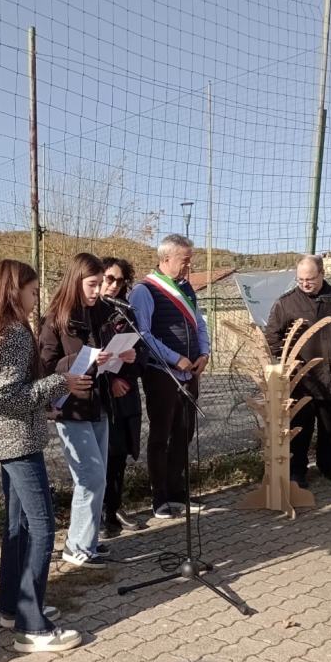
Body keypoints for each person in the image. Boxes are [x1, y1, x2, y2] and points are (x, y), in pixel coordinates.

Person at [0, 259, 90, 653]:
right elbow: (10, 394)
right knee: (42, 527)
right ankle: (32, 626)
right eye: (33, 292)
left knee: (17, 527)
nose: (37, 300)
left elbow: (2, 393)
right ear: (14, 290)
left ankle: (12, 607)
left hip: (4, 440)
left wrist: (47, 393)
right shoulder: (16, 332)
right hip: (19, 442)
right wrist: (60, 382)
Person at [39, 253, 136, 567]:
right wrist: (80, 360)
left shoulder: (102, 314)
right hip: (70, 408)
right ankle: (76, 546)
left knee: (98, 477)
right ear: (75, 282)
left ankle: (87, 541)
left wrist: (115, 358)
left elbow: (103, 353)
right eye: (92, 284)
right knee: (90, 477)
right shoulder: (55, 319)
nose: (98, 291)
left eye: (101, 284)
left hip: (99, 404)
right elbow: (44, 367)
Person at [129, 234, 210, 519]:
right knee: (161, 434)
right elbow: (143, 334)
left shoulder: (187, 287)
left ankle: (178, 493)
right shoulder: (145, 290)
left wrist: (204, 352)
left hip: (191, 371)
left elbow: (199, 322)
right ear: (166, 259)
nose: (189, 265)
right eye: (184, 260)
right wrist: (175, 358)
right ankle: (159, 497)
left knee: (184, 433)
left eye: (190, 260)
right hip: (162, 373)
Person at [265, 254, 331, 487]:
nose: (305, 284)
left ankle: (330, 467)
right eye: (300, 279)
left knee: (330, 429)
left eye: (310, 279)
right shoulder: (286, 303)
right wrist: (288, 364)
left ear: (323, 274)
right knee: (300, 431)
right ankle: (297, 473)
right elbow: (272, 339)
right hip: (301, 380)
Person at [98, 257, 145, 538]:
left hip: (127, 393)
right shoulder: (90, 311)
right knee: (103, 455)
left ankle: (116, 505)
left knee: (120, 455)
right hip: (103, 395)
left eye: (120, 281)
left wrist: (134, 357)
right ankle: (102, 511)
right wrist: (111, 380)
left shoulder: (126, 312)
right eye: (109, 279)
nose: (114, 285)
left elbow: (143, 354)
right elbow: (86, 356)